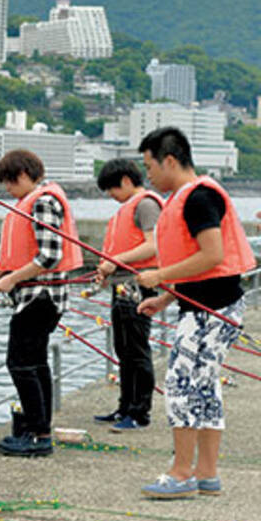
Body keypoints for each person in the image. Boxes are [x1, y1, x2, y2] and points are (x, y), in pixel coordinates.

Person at [134, 127, 254, 499]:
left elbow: (212, 255)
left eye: (149, 165)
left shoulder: (199, 197)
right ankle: (206, 474)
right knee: (204, 386)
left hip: (211, 312)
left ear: (169, 160)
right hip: (211, 306)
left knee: (181, 385)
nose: (148, 175)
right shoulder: (192, 196)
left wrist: (159, 276)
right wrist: (167, 298)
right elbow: (205, 267)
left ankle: (181, 472)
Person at [0, 149, 82, 457]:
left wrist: (11, 279)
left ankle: (37, 434)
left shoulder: (43, 202)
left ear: (23, 175)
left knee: (20, 363)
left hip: (40, 297)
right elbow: (25, 252)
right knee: (35, 362)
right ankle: (39, 429)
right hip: (40, 298)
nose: (8, 190)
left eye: (10, 182)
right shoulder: (36, 201)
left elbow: (49, 255)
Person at [92, 158, 162, 432]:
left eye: (111, 189)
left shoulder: (146, 204)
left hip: (139, 286)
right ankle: (124, 407)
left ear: (124, 180)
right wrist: (106, 270)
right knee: (123, 349)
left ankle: (139, 412)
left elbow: (152, 246)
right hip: (121, 286)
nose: (111, 196)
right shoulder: (126, 209)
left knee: (136, 349)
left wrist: (115, 261)